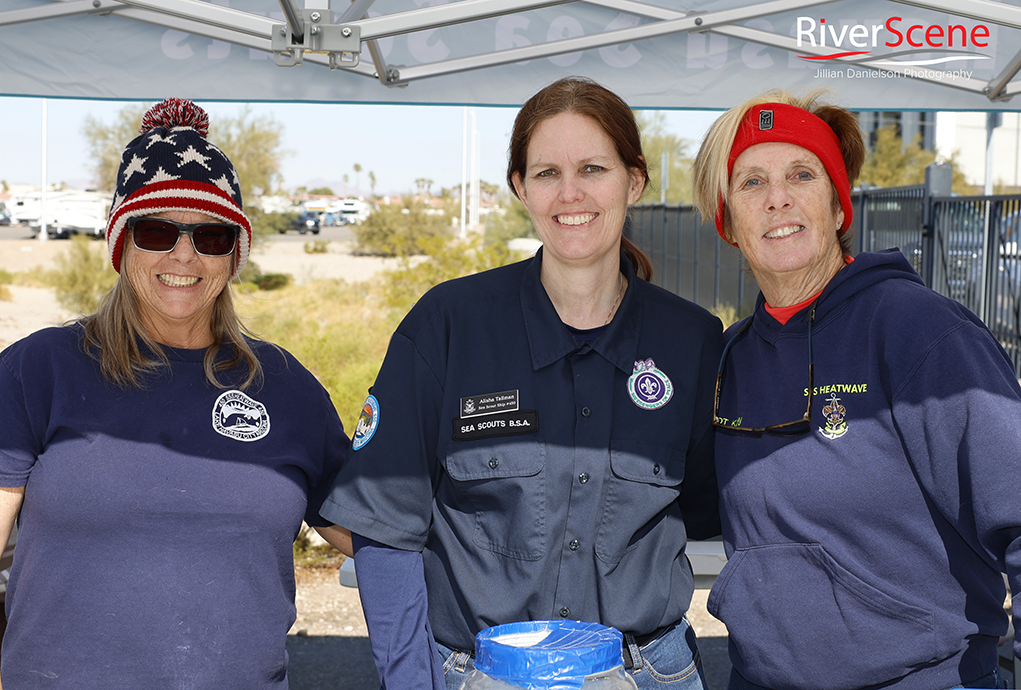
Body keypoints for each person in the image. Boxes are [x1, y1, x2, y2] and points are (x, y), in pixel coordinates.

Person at [320, 76, 725, 690]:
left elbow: (708, 509)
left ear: (634, 181)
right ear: (520, 188)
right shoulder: (448, 326)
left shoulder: (691, 341)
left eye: (593, 168)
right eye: (545, 173)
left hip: (647, 674)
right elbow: (383, 528)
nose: (571, 193)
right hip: (476, 675)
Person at [0, 98, 352, 688]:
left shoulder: (286, 387)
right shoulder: (38, 371)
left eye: (212, 236)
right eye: (157, 230)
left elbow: (369, 529)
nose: (183, 254)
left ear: (234, 256)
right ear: (122, 243)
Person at [691, 90, 1021, 690]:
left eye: (802, 174)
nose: (778, 198)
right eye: (751, 183)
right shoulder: (729, 360)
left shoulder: (921, 332)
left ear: (839, 207)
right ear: (728, 222)